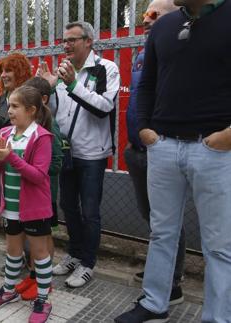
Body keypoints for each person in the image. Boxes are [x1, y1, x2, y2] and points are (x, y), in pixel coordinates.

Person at [115, 0, 231, 322]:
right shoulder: (165, 28)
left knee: (220, 245)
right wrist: (144, 130)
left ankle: (218, 317)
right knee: (162, 232)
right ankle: (154, 303)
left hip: (217, 149)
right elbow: (147, 83)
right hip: (164, 146)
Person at [39, 21, 120, 288]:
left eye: (72, 40)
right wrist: (49, 89)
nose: (66, 45)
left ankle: (88, 263)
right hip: (67, 153)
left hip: (92, 154)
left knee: (90, 211)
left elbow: (103, 106)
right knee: (68, 207)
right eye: (64, 41)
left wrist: (73, 84)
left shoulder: (106, 69)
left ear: (88, 41)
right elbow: (57, 111)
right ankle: (74, 254)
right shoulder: (64, 72)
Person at [122, 0, 185, 307]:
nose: (146, 19)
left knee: (168, 219)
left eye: (154, 14)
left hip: (162, 150)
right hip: (138, 150)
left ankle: (173, 282)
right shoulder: (143, 54)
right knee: (154, 219)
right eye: (144, 14)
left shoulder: (180, 52)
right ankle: (161, 274)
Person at [0, 85, 54, 323]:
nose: (9, 110)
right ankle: (9, 290)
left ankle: (43, 300)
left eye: (15, 106)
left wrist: (10, 157)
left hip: (35, 210)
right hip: (11, 207)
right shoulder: (5, 132)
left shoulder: (41, 137)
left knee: (40, 254)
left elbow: (38, 176)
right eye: (9, 106)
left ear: (31, 110)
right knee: (13, 251)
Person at [14, 77, 64, 301]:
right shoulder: (21, 131)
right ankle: (34, 276)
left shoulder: (46, 132)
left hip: (42, 194)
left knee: (43, 238)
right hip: (25, 194)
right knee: (31, 237)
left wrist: (36, 170)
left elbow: (55, 163)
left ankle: (45, 282)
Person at [0, 53, 33, 140]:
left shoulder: (31, 100)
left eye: (8, 71)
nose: (2, 75)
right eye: (2, 71)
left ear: (20, 73)